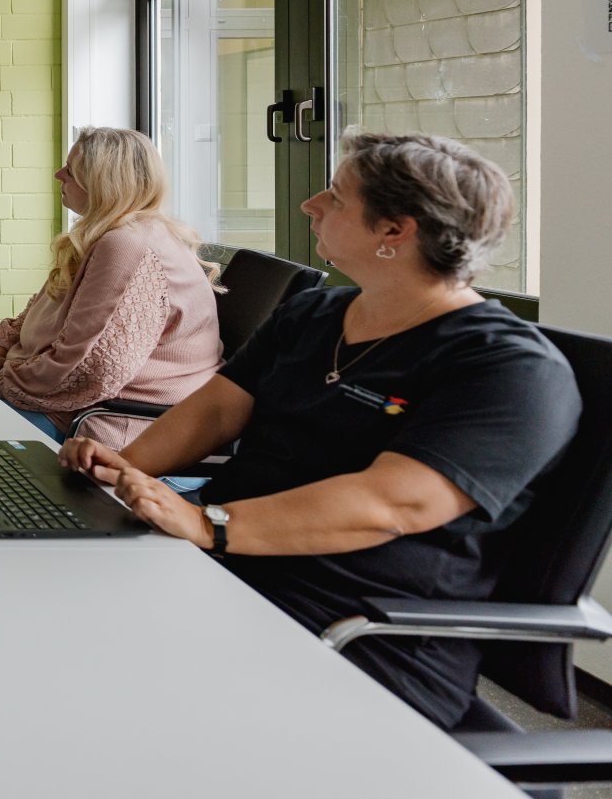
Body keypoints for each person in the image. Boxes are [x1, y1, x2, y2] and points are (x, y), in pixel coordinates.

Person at [61, 133, 580, 729]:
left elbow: (393, 503)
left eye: (334, 196)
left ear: (395, 231)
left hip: (351, 627)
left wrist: (211, 525)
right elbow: (217, 410)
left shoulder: (508, 367)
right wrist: (127, 468)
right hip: (224, 573)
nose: (311, 204)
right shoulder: (315, 314)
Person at [0, 127, 221, 447]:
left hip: (104, 421)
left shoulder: (128, 246)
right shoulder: (105, 234)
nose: (58, 174)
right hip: (53, 401)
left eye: (71, 171)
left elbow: (90, 370)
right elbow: (44, 306)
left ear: (103, 185)